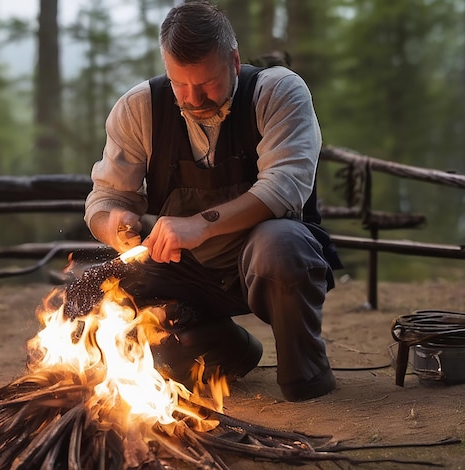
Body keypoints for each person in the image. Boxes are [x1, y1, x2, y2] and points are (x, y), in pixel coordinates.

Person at [83, 0, 342, 401]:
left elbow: (285, 187)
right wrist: (115, 223)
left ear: (234, 61)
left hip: (261, 263)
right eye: (179, 83)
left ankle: (303, 374)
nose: (192, 97)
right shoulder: (139, 107)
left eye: (206, 83)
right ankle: (229, 349)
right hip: (185, 271)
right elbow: (105, 198)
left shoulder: (278, 92)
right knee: (93, 294)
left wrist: (200, 224)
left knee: (281, 246)